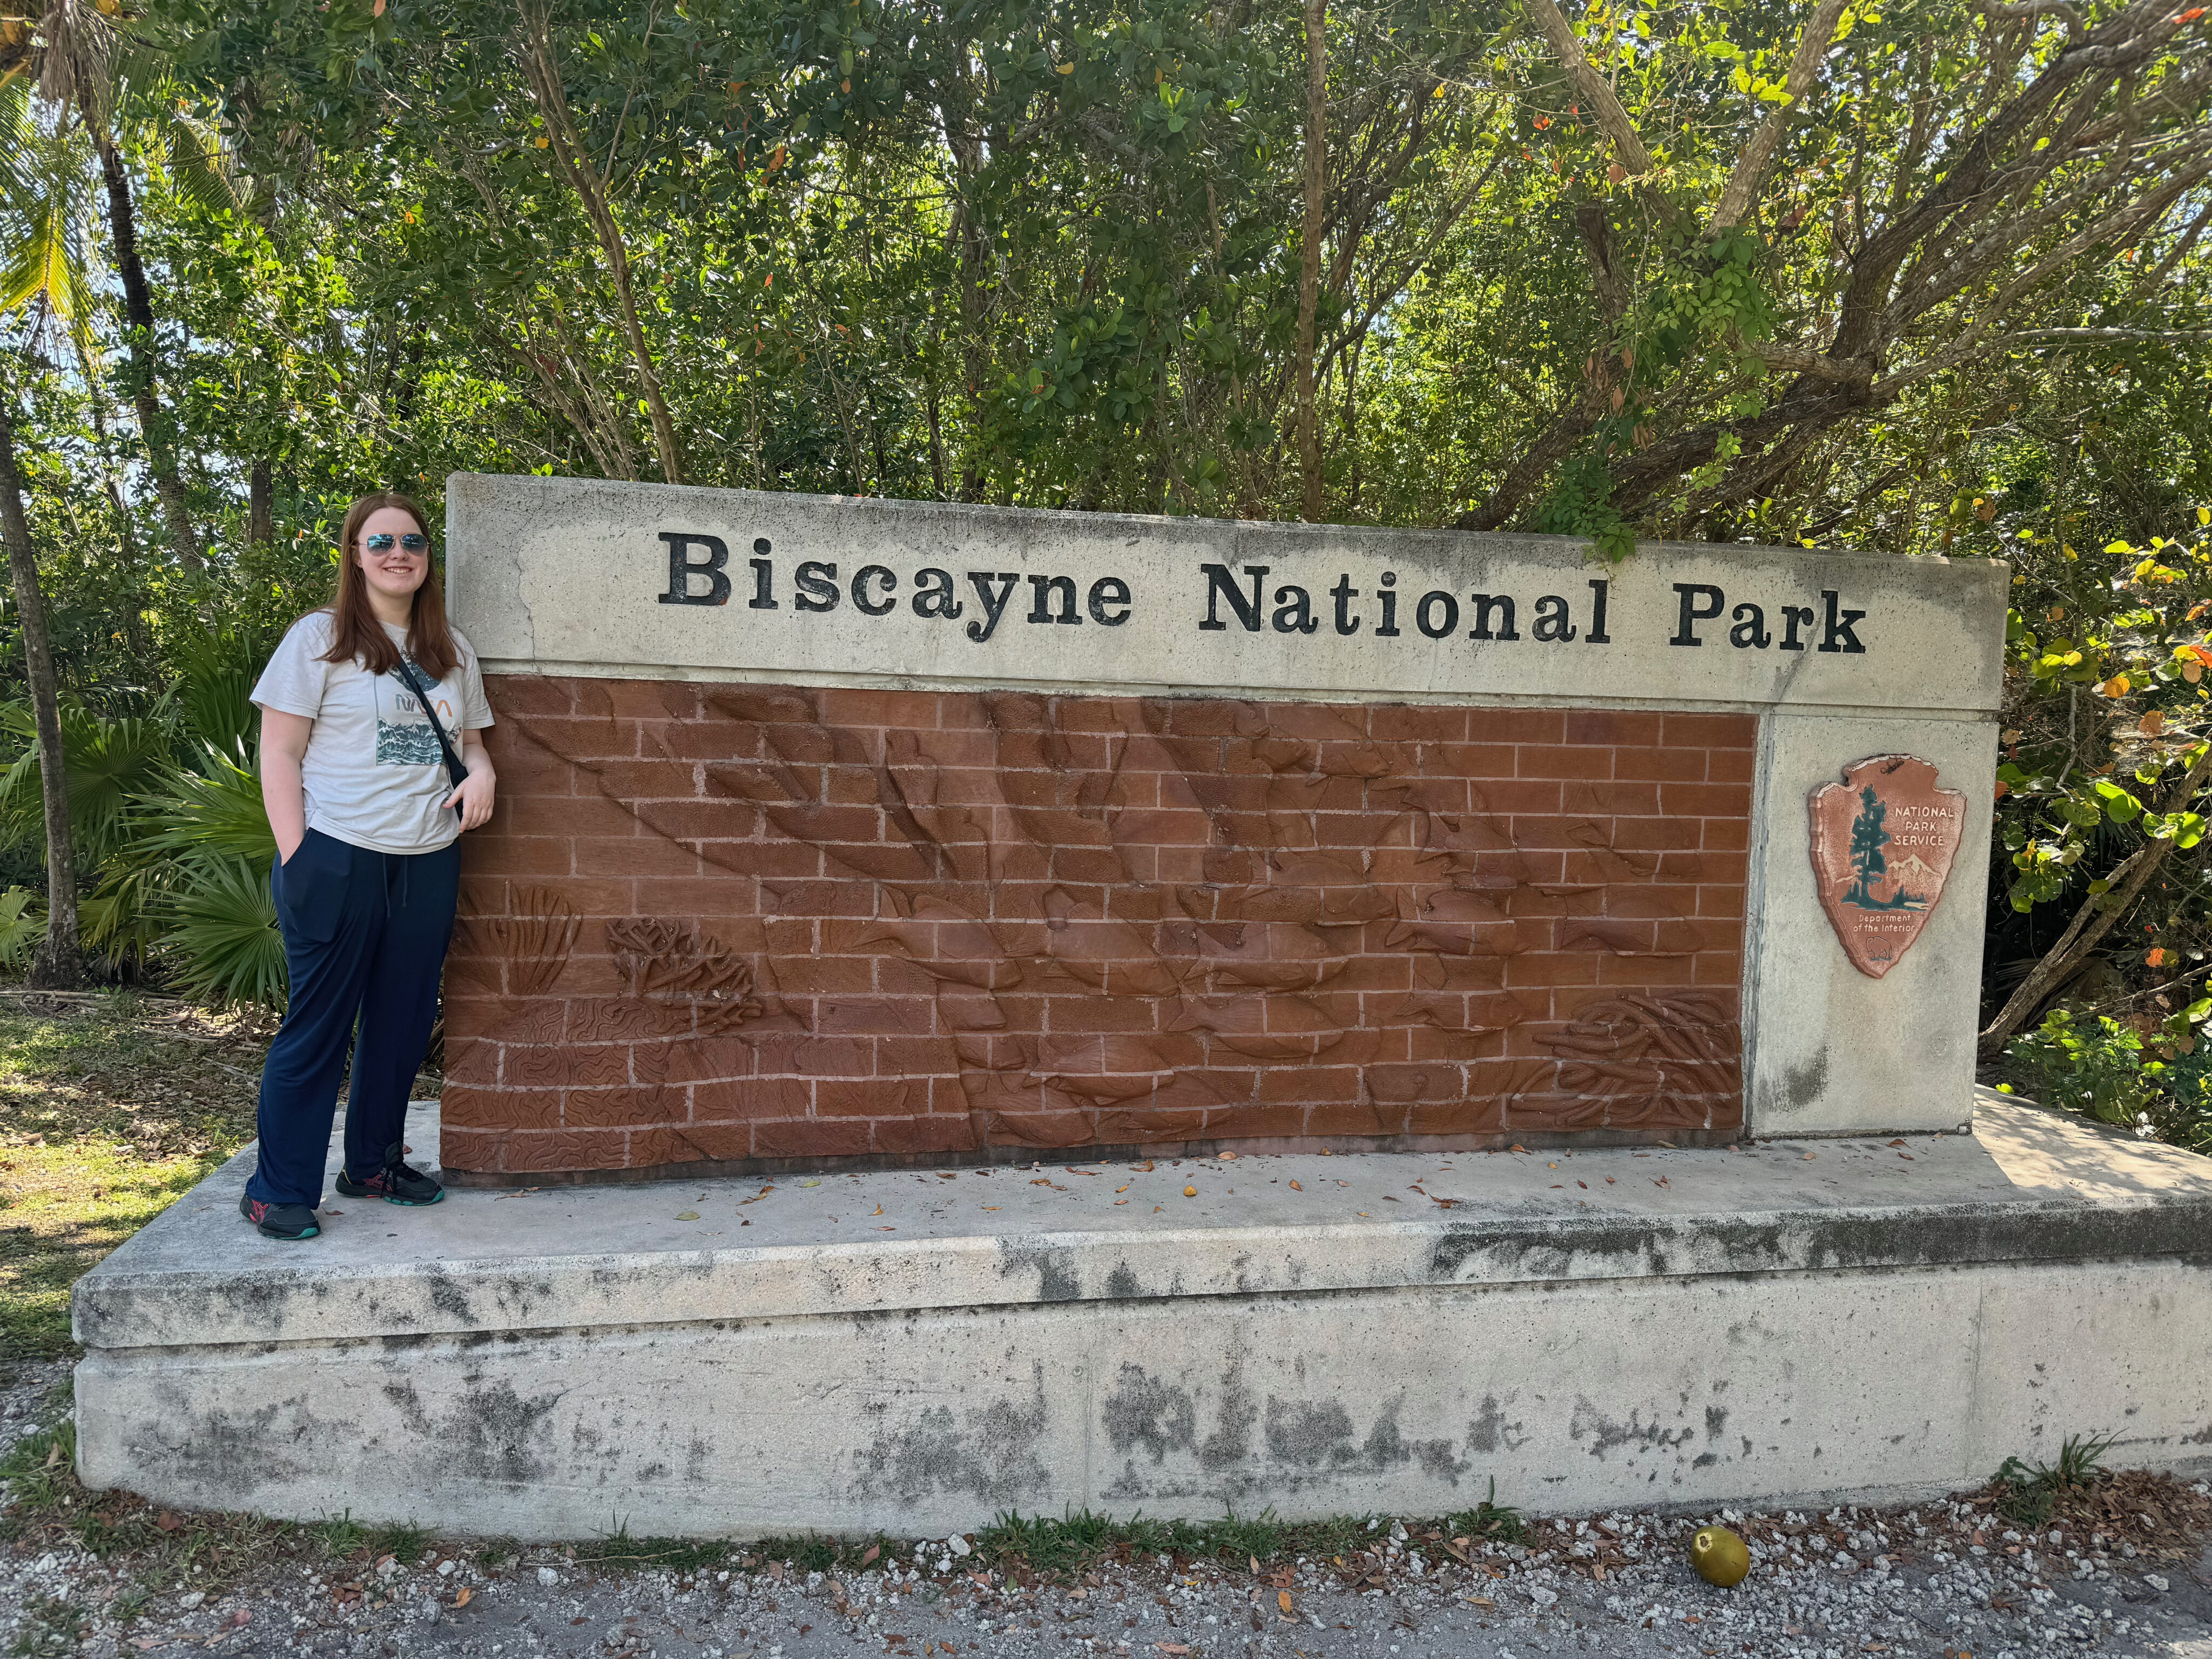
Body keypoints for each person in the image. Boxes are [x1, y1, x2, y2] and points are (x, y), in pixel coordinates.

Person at [240, 491, 497, 1240]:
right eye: (380, 540)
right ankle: (277, 1188)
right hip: (339, 856)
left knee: (401, 1023)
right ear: (356, 554)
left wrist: (482, 776)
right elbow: (279, 753)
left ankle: (374, 1164)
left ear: (427, 557)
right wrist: (300, 853)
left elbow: (474, 744)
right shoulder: (320, 640)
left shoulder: (452, 650)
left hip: (427, 861)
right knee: (317, 1028)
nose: (397, 552)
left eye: (411, 541)